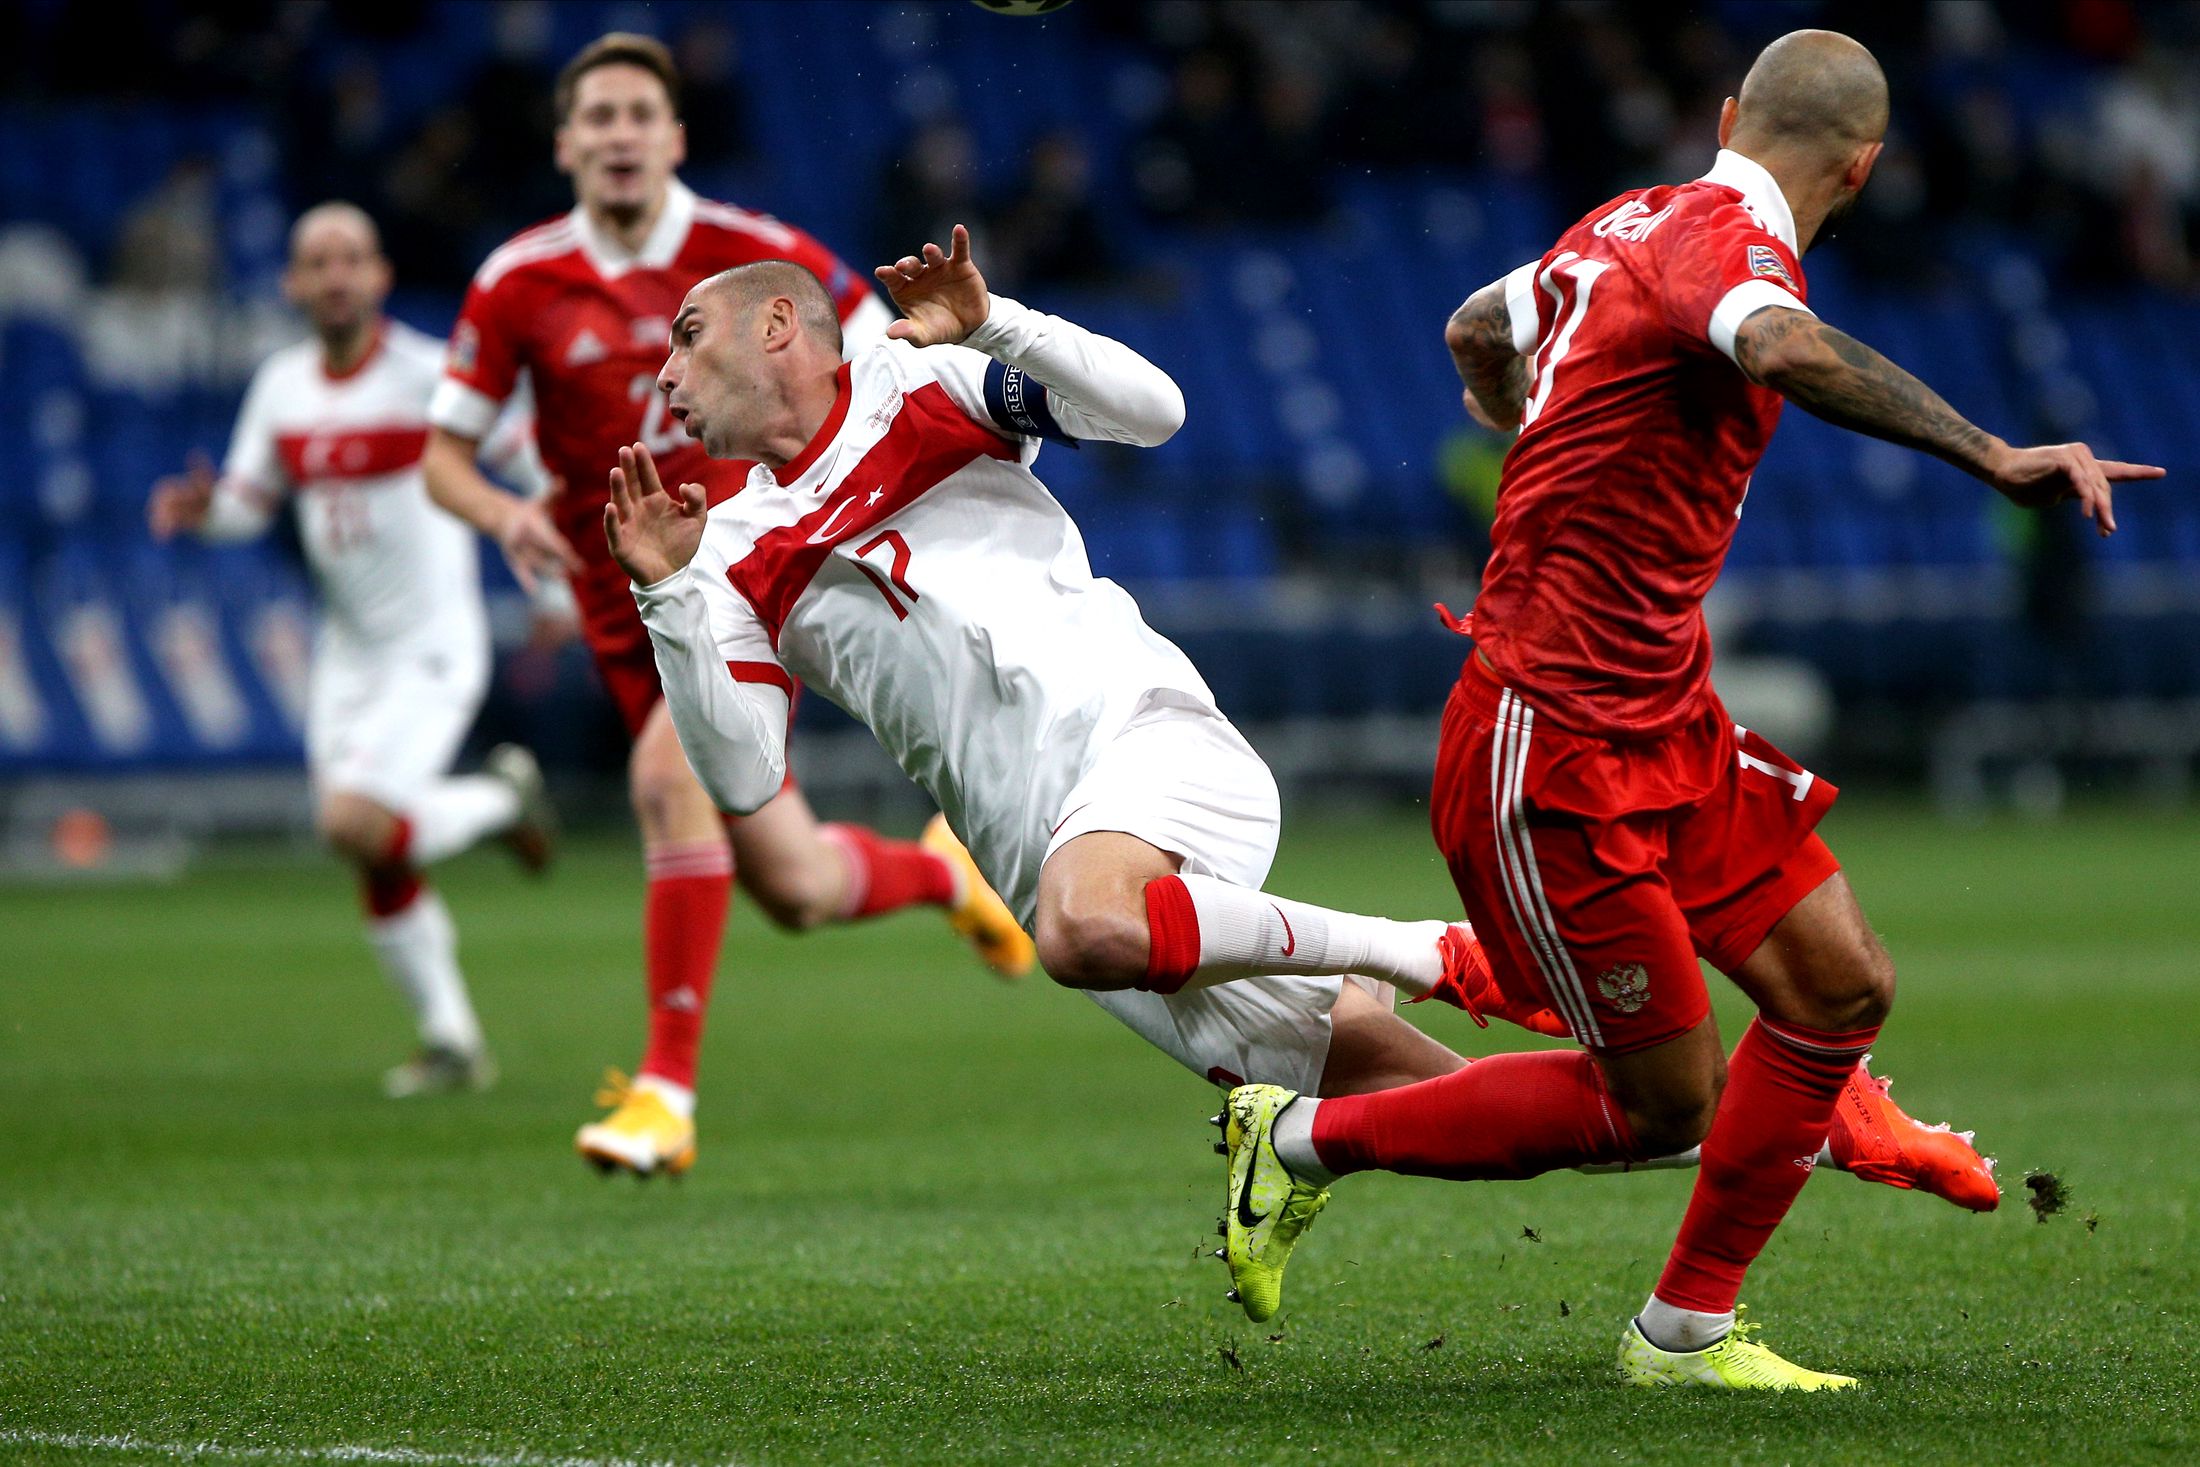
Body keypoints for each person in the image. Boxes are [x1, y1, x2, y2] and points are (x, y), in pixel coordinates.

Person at [601, 228, 1998, 1228]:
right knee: (1496, 1103)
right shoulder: (722, 558)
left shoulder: (916, 380)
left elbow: (1153, 412)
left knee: (1079, 929)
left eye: (686, 334)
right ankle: (1815, 1117)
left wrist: (999, 322)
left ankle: (1434, 947)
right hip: (1058, 857)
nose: (662, 372)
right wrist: (669, 601)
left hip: (1145, 746)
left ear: (781, 324)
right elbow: (745, 771)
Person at [1213, 29, 2163, 1392]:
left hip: (1668, 715)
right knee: (1657, 1099)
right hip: (1552, 729)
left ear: (1728, 113)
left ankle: (1683, 1334)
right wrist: (1992, 450)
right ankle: (1297, 1136)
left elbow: (1476, 328)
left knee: (1842, 986)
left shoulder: (1625, 217)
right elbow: (1777, 344)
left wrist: (1519, 415)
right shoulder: (1735, 249)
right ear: (1865, 168)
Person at [420, 33, 1032, 1180]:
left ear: (673, 137)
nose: (616, 135)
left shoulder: (754, 256)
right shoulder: (516, 281)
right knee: (793, 887)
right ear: (565, 143)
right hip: (619, 603)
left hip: (749, 570)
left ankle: (664, 1093)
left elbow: (880, 363)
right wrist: (501, 513)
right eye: (595, 116)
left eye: (637, 114)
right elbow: (441, 457)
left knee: (667, 781)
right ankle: (947, 876)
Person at [148, 203, 555, 1098]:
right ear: (293, 284)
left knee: (351, 820)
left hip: (434, 645)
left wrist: (559, 583)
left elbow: (529, 459)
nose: (335, 276)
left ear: (378, 276)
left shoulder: (427, 376)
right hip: (349, 654)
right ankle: (452, 1040)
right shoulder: (281, 386)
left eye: (352, 259)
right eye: (316, 262)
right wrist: (203, 509)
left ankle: (494, 800)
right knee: (370, 847)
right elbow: (250, 505)